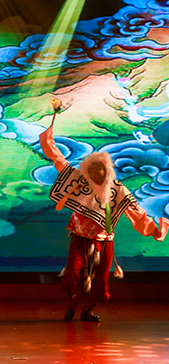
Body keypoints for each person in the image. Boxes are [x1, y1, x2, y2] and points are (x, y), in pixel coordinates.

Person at [40, 109, 167, 322]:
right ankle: (71, 304)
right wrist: (49, 135)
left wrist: (156, 230)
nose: (96, 174)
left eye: (100, 170)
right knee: (74, 273)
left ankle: (88, 310)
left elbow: (137, 214)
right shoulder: (80, 181)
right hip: (80, 237)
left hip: (104, 240)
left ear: (106, 170)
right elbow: (58, 159)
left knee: (100, 279)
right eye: (92, 170)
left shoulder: (117, 190)